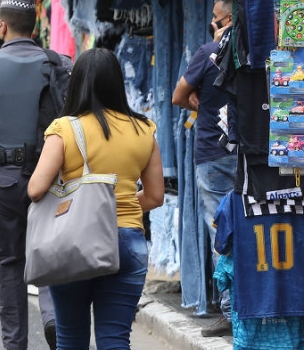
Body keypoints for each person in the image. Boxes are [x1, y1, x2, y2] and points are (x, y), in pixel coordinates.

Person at [27, 47, 164, 350]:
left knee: (71, 338)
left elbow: (36, 189)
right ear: (116, 83)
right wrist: (114, 205)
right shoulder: (144, 129)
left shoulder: (63, 129)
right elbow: (155, 196)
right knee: (115, 339)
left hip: (74, 242)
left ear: (77, 83)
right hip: (128, 242)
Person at [0, 0, 72, 348]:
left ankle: (15, 343)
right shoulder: (59, 64)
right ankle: (53, 318)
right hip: (51, 177)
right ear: (34, 26)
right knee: (48, 254)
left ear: (1, 27)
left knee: (9, 261)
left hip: (2, 178)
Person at [171, 0, 236, 337]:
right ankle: (248, 305)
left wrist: (196, 98)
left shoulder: (209, 52)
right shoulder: (253, 53)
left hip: (212, 153)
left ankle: (229, 309)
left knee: (220, 233)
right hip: (247, 153)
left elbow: (178, 96)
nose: (211, 23)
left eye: (214, 17)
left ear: (226, 19)